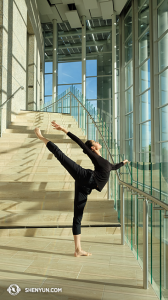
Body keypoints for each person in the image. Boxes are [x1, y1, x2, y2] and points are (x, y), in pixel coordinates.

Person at [34, 122, 130, 257]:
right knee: (61, 156)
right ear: (92, 147)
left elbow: (113, 167)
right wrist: (64, 130)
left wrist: (123, 163)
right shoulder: (94, 156)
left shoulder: (104, 160)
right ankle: (41, 137)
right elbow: (79, 142)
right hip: (86, 177)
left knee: (78, 216)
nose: (98, 142)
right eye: (96, 142)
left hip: (86, 187)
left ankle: (78, 249)